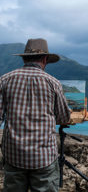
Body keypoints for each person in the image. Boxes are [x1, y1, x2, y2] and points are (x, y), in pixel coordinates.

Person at [0, 38, 71, 192]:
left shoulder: (5, 80)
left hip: (14, 154)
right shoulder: (53, 83)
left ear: (24, 58)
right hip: (44, 156)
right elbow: (64, 117)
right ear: (45, 59)